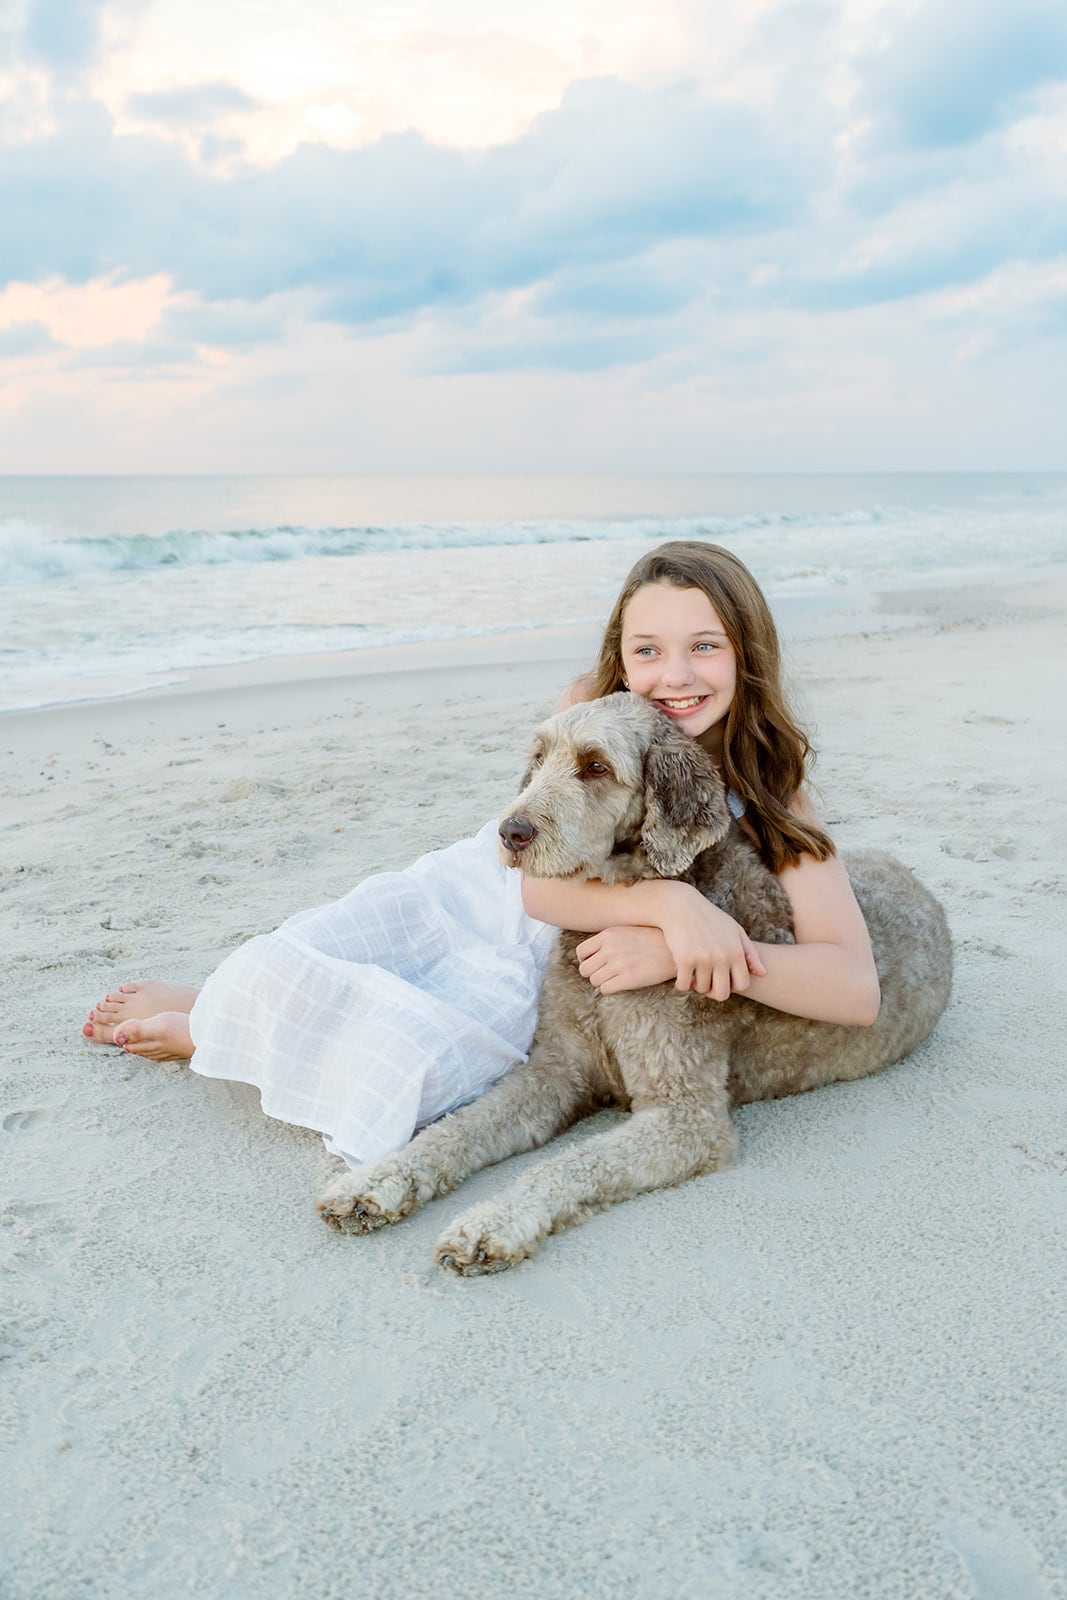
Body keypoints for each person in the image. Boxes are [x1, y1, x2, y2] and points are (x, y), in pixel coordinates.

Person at [82, 541, 880, 1167]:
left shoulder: (775, 793)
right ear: (619, 655)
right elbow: (537, 886)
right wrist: (671, 907)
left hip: (564, 957)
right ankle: (225, 1000)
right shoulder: (588, 711)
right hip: (499, 884)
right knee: (307, 950)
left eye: (704, 646)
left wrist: (692, 951)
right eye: (646, 651)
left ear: (747, 652)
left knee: (421, 1061)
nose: (672, 676)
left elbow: (853, 988)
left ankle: (217, 1027)